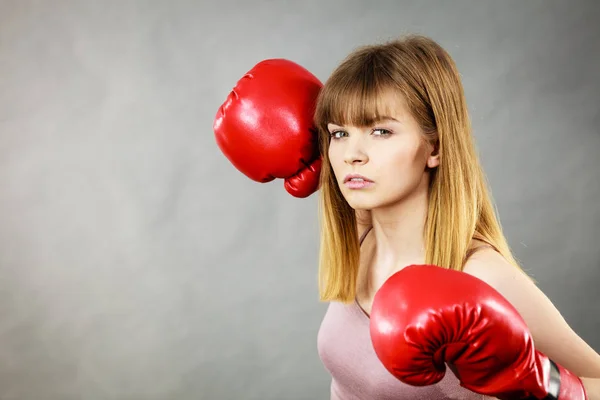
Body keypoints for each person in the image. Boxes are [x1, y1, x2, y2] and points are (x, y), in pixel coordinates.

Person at [214, 35, 600, 399]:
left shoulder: (481, 275)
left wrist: (539, 380)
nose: (352, 155)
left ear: (434, 147)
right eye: (338, 133)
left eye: (381, 131)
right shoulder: (363, 234)